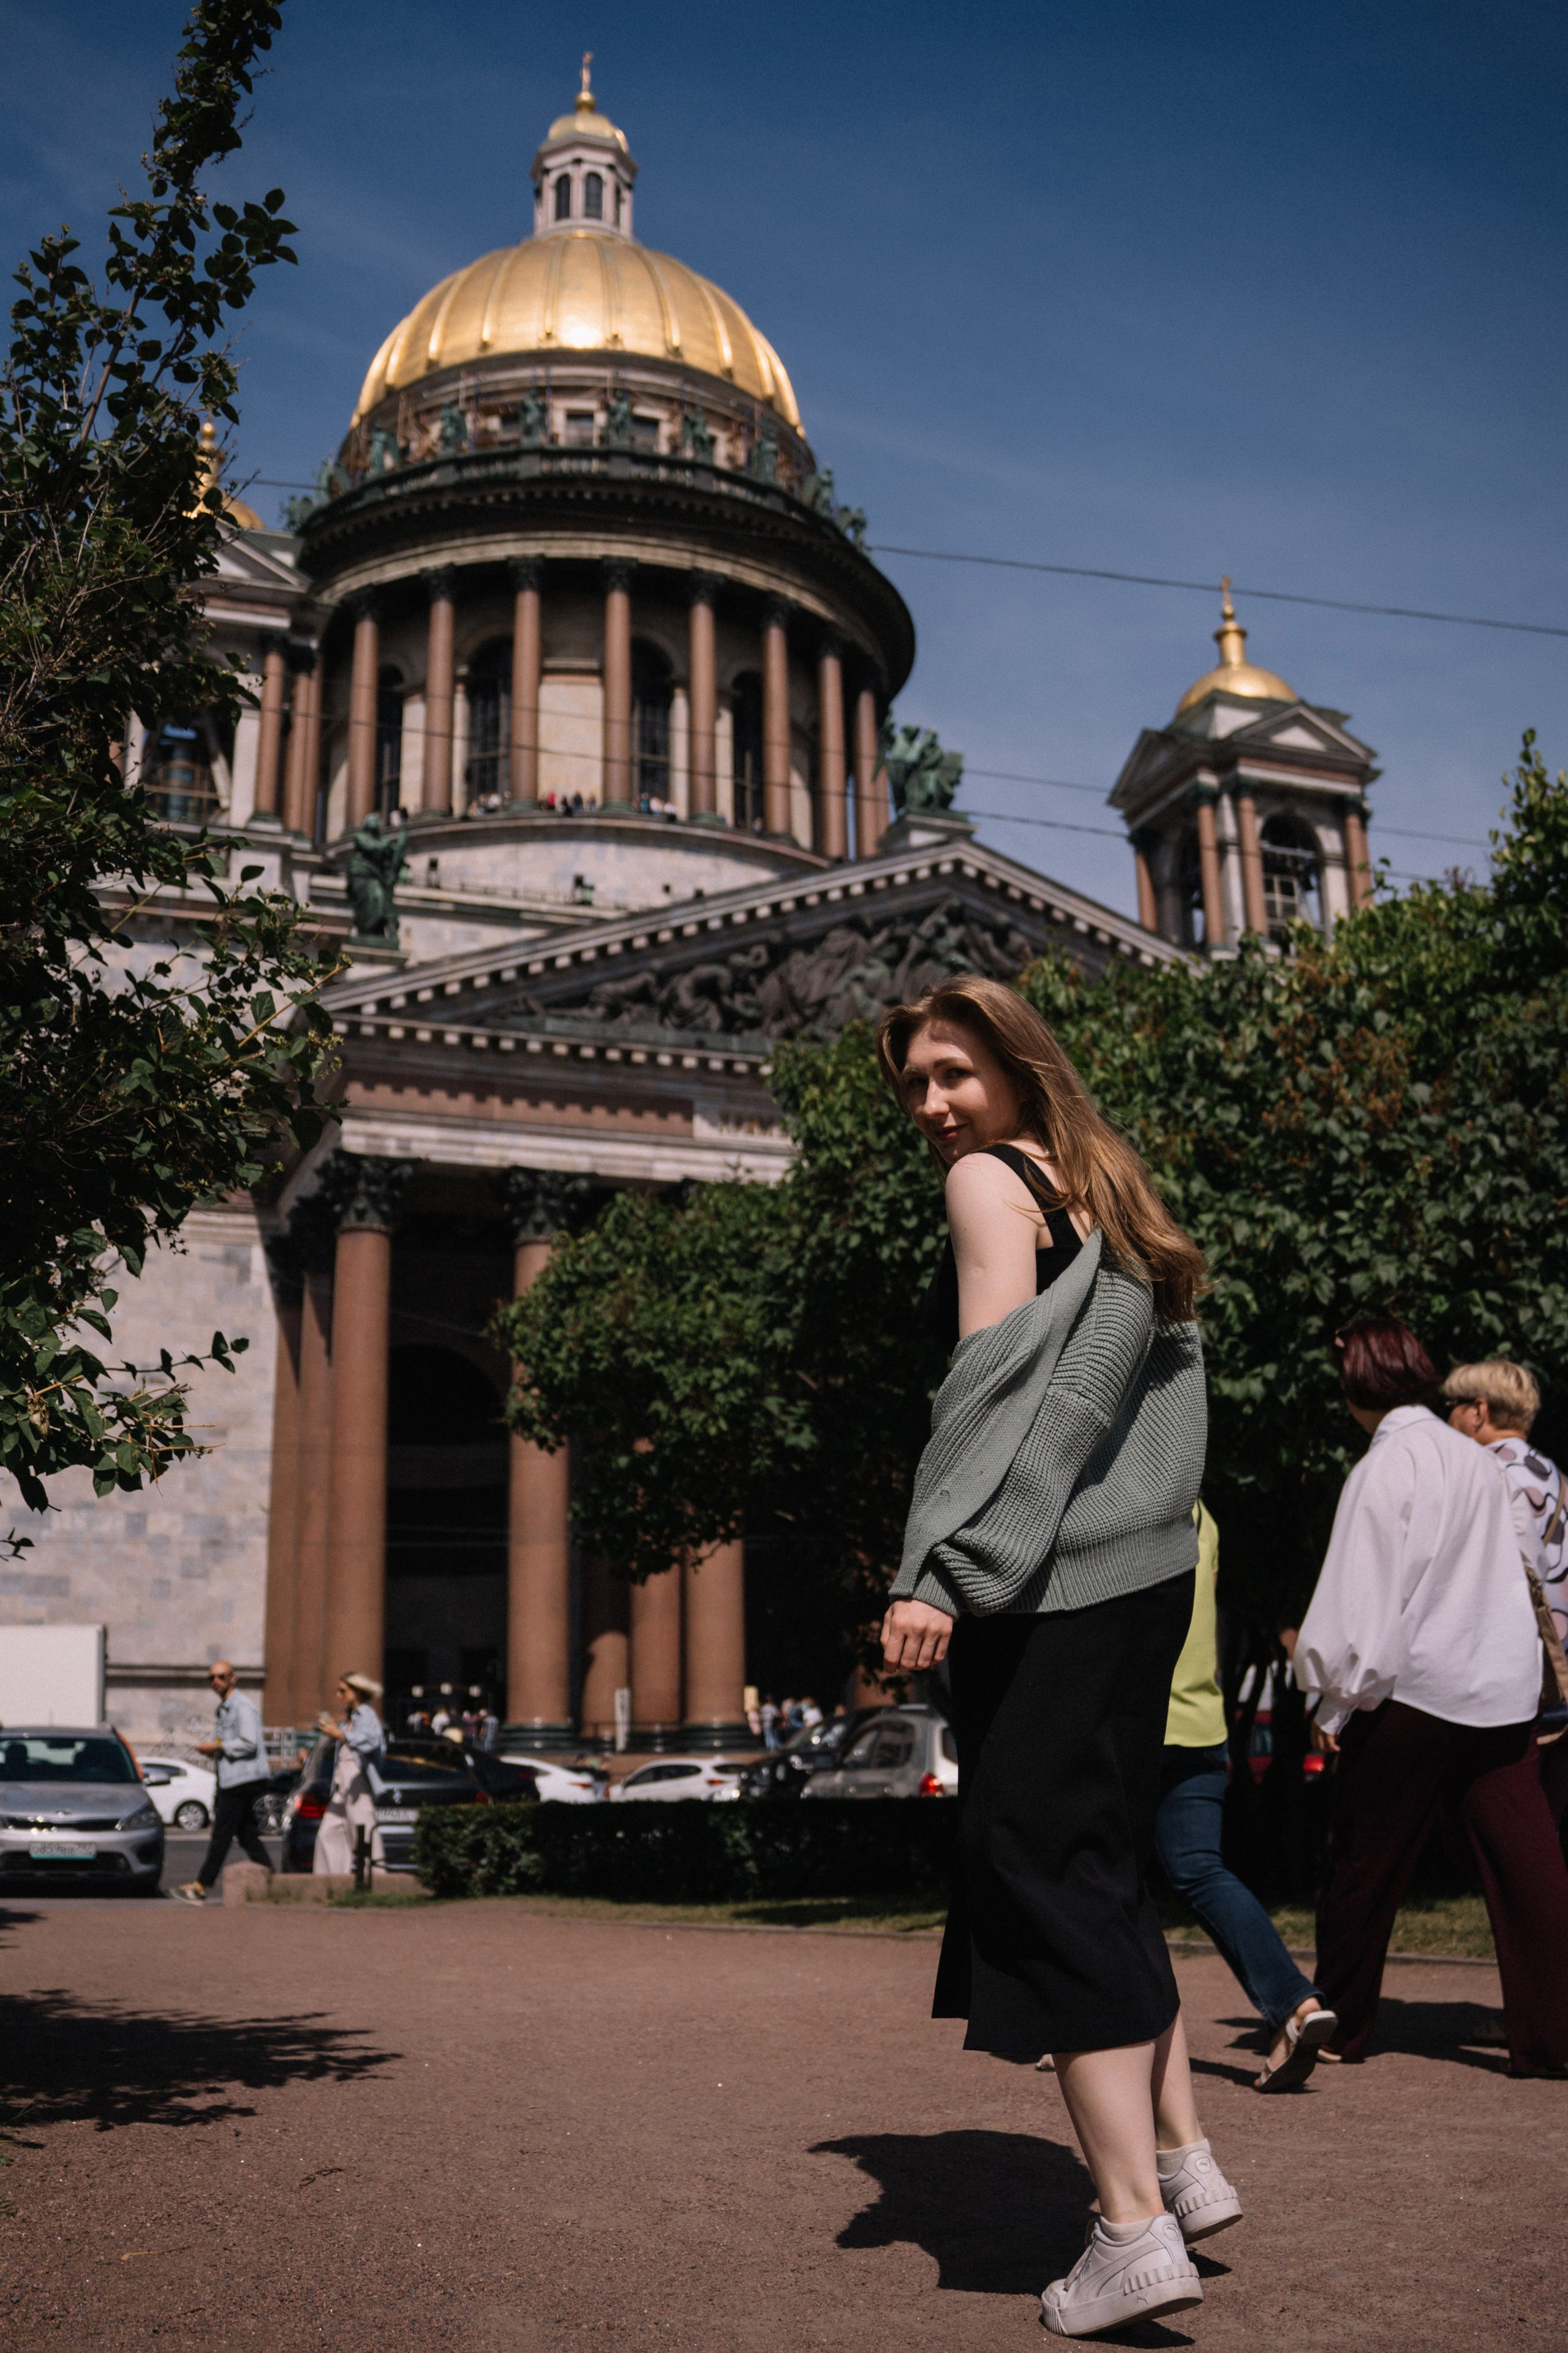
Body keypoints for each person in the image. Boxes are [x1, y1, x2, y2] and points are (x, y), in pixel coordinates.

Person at [876, 975, 1238, 2341]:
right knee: (1101, 1867)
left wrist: (935, 1570)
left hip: (1050, 1584)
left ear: (1017, 1067)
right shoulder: (1105, 1190)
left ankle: (1129, 2229)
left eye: (953, 1072)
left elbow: (990, 1392)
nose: (932, 1106)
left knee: (1040, 1873)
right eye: (915, 1083)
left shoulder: (986, 1182)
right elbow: (1100, 1396)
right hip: (1142, 1574)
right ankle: (1183, 2161)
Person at [1294, 1316, 1568, 2076]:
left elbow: (1365, 1595)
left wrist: (1332, 1700)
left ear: (1359, 1383)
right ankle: (1554, 2036)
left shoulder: (1385, 1467)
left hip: (1413, 1691)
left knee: (1363, 1863)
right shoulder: (1480, 1464)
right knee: (1530, 1868)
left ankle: (1340, 2026)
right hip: (1501, 1690)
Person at [1156, 1503, 1336, 2090]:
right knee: (1202, 1871)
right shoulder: (1203, 1512)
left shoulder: (1123, 1496)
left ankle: (1097, 2026)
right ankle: (1295, 2004)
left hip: (1134, 1722)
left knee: (1098, 1875)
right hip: (1201, 1721)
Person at [1442, 1360, 1568, 1796]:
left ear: (1478, 1410)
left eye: (1452, 1405)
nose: (1447, 1417)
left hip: (1513, 1697)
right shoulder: (1556, 1476)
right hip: (1561, 1685)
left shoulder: (1481, 1473)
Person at [172, 1661, 273, 1904]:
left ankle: (200, 1887)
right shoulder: (225, 1709)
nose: (216, 1682)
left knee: (222, 1834)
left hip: (242, 1780)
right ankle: (274, 1881)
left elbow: (250, 1743)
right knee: (247, 1835)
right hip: (233, 1779)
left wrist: (217, 1747)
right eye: (211, 1678)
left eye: (221, 1677)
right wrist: (216, 1751)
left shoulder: (242, 1707)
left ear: (233, 1679)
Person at [312, 1674, 387, 1876]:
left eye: (343, 1691)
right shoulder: (351, 1717)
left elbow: (371, 1740)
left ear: (357, 1692)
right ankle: (332, 1881)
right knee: (329, 1833)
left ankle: (377, 1880)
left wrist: (341, 1735)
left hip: (357, 1780)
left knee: (364, 1830)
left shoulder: (366, 1714)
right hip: (343, 1782)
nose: (339, 1695)